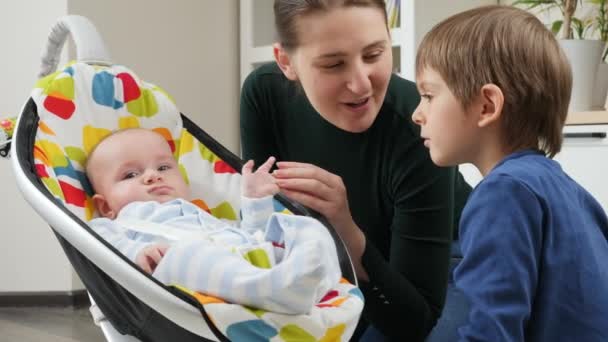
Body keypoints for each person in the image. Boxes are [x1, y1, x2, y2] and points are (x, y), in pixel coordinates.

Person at [240, 0, 472, 340]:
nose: (362, 85)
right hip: (341, 263)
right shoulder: (264, 94)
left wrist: (344, 230)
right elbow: (267, 234)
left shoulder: (415, 125)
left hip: (449, 264)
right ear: (285, 61)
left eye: (374, 54)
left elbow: (416, 321)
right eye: (334, 64)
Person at [412, 5, 608, 341]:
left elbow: (489, 331)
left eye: (429, 96)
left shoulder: (502, 194)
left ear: (487, 106)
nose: (418, 113)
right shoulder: (571, 192)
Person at [85, 128, 342, 315]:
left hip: (248, 262)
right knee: (190, 255)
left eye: (163, 168)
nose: (152, 176)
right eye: (131, 174)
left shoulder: (204, 217)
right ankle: (281, 290)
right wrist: (139, 253)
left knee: (304, 227)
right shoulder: (114, 225)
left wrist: (255, 201)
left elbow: (252, 236)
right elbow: (104, 249)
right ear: (106, 206)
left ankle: (315, 279)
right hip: (182, 274)